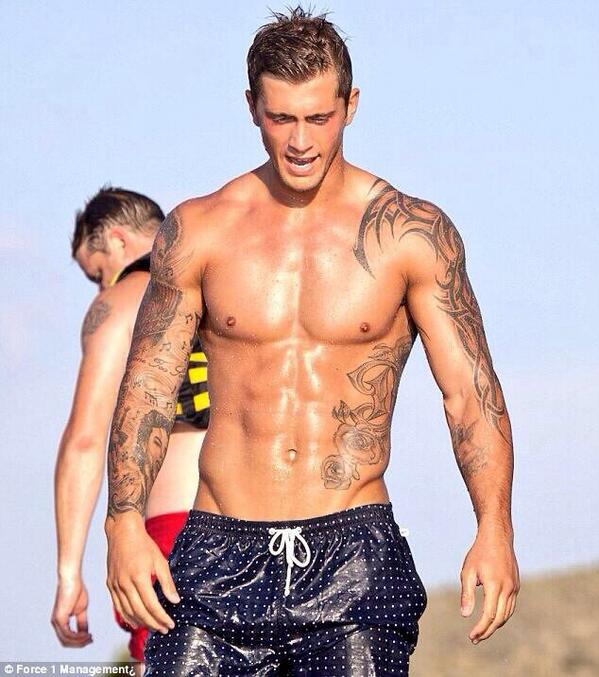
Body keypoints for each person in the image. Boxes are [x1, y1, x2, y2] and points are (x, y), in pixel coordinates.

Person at [105, 8, 520, 675]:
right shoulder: (199, 230)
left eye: (318, 118)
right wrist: (124, 521)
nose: (300, 141)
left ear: (350, 105)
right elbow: (150, 383)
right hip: (216, 552)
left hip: (353, 557)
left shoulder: (411, 235)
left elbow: (470, 394)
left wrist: (494, 527)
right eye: (281, 118)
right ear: (251, 107)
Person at [51, 187, 210, 667]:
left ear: (118, 241)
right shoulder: (227, 281)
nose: (100, 289)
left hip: (176, 533)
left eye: (98, 274)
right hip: (279, 526)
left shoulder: (120, 303)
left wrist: (69, 573)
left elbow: (85, 440)